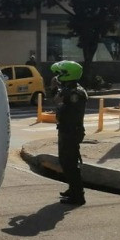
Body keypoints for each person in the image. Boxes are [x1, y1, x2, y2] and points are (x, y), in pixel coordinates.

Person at [51, 60, 88, 205]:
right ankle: (73, 188)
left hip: (72, 131)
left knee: (70, 163)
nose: (59, 76)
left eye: (62, 73)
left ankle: (78, 195)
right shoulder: (70, 88)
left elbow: (58, 103)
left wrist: (55, 90)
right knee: (65, 161)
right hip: (66, 130)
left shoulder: (75, 92)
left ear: (69, 74)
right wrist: (56, 88)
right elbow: (59, 100)